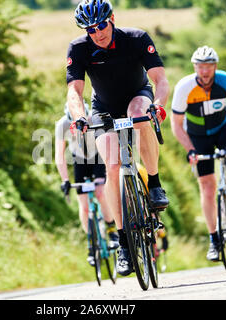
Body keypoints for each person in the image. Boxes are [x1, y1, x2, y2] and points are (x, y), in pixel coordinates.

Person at [66, 0, 170, 276]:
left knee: (140, 114)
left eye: (101, 25)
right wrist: (79, 116)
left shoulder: (136, 38)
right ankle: (124, 244)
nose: (97, 33)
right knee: (112, 167)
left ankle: (155, 183)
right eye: (90, 29)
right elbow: (74, 92)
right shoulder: (78, 48)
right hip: (103, 108)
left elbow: (160, 79)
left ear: (112, 19)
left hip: (139, 95)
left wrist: (157, 106)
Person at [170, 46, 226, 262]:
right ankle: (214, 239)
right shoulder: (184, 87)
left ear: (215, 67)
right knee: (207, 187)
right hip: (197, 137)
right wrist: (191, 150)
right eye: (200, 67)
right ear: (194, 67)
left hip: (223, 129)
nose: (205, 71)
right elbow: (176, 126)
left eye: (208, 67)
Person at [55, 101, 119, 266]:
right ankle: (91, 243)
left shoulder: (92, 119)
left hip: (97, 156)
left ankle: (112, 229)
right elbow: (59, 156)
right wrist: (65, 180)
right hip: (80, 160)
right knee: (83, 206)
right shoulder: (62, 124)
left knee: (100, 192)